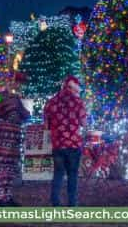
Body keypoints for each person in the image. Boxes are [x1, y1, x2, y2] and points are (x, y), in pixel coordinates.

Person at [44, 76, 86, 207]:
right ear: (75, 88)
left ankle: (55, 202)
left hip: (58, 144)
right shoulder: (78, 102)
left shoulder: (51, 102)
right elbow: (84, 123)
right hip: (73, 144)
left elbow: (46, 125)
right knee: (73, 175)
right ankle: (72, 204)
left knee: (58, 174)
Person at [0, 72, 30, 206]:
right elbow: (25, 114)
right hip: (8, 135)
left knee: (7, 166)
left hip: (10, 135)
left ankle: (5, 197)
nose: (16, 85)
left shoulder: (6, 98)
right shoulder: (10, 98)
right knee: (2, 166)